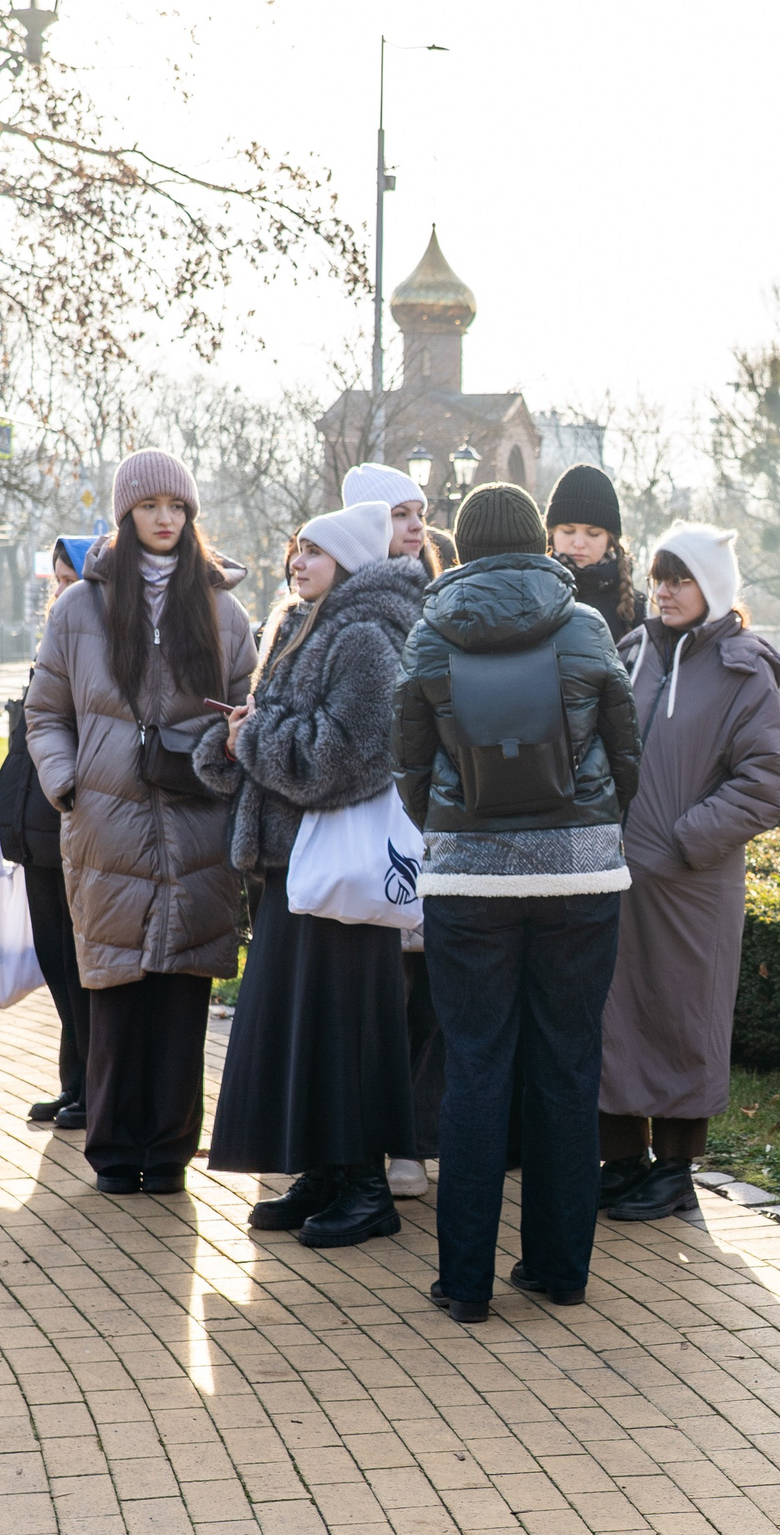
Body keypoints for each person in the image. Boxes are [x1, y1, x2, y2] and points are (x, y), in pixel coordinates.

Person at [394, 481, 641, 1323]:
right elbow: (627, 751)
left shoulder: (430, 631)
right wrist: (593, 826)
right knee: (568, 1065)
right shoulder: (586, 625)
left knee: (475, 1069)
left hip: (469, 881)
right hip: (580, 877)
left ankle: (465, 1285)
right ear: (539, 542)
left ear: (461, 549)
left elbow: (407, 760)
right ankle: (560, 1270)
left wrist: (452, 827)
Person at [25, 448, 256, 1195]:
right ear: (126, 514)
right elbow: (45, 712)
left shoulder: (222, 610)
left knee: (182, 995)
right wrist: (69, 785)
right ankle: (116, 1149)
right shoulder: (79, 609)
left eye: (177, 507)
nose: (165, 519)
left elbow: (250, 704)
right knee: (116, 994)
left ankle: (170, 1150)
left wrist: (231, 748)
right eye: (151, 506)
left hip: (196, 824)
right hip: (105, 826)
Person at [196, 502, 426, 1247]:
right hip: (295, 869)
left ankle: (365, 1186)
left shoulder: (364, 634)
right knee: (304, 1027)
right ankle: (326, 1171)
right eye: (297, 548)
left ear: (350, 561)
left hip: (339, 875)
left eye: (316, 551)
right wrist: (231, 740)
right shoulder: (298, 624)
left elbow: (347, 754)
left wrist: (254, 736)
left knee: (345, 1028)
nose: (298, 560)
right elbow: (281, 735)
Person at [594, 524, 780, 1221]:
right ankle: (622, 1161)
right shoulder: (632, 652)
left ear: (713, 585)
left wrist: (683, 841)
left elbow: (767, 782)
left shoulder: (743, 669)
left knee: (682, 1020)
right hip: (618, 878)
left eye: (681, 579)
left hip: (691, 885)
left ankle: (675, 1171)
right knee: (615, 1018)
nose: (665, 591)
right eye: (659, 577)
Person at [340, 463, 442, 1198]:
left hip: (427, 816)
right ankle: (354, 1141)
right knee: (365, 991)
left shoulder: (442, 598)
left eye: (420, 513)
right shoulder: (329, 601)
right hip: (356, 822)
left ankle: (411, 1141)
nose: (415, 527)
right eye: (399, 514)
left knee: (425, 986)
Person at [0, 535, 101, 1130]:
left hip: (71, 827)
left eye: (69, 578)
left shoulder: (96, 643)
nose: (59, 591)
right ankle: (74, 1082)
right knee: (58, 962)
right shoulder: (52, 643)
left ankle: (94, 1087)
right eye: (56, 579)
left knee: (81, 968)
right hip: (35, 832)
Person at [545, 463, 641, 641]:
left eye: (593, 534)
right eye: (568, 531)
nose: (579, 544)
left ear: (610, 540)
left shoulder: (638, 609)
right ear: (551, 535)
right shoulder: (531, 596)